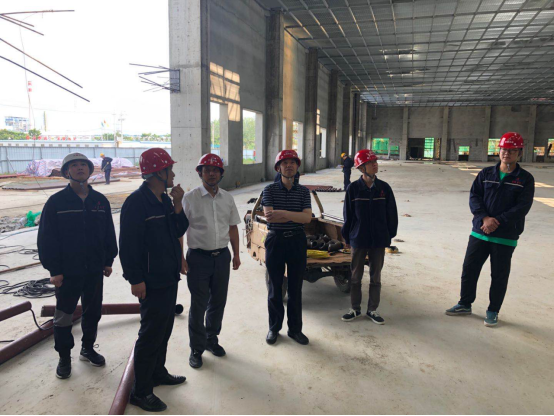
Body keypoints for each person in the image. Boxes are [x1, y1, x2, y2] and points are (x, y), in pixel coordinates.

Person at [37, 152, 118, 380]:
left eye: (84, 164)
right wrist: (54, 270)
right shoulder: (56, 202)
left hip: (94, 270)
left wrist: (108, 260)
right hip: (68, 272)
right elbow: (47, 238)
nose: (80, 168)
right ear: (66, 172)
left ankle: (87, 349)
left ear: (90, 170)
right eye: (74, 165)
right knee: (64, 316)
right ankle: (64, 357)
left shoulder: (100, 200)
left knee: (93, 312)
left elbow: (108, 233)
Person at [119, 148, 188, 412]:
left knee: (164, 329)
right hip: (150, 280)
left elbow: (179, 229)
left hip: (168, 276)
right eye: (170, 169)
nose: (173, 174)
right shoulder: (136, 203)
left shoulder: (164, 200)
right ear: (159, 172)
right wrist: (135, 279)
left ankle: (158, 373)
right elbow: (128, 246)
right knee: (150, 335)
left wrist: (178, 205)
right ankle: (141, 391)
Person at [446, 132, 535, 327]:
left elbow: (522, 207)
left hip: (505, 236)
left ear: (519, 152)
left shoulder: (525, 179)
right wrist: (484, 218)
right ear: (499, 151)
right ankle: (465, 304)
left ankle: (493, 310)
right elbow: (474, 197)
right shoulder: (486, 174)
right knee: (469, 269)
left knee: (499, 275)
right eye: (504, 149)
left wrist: (497, 221)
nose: (506, 153)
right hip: (480, 232)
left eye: (512, 150)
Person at [181, 153, 241, 369]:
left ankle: (211, 339)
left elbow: (232, 227)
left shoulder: (227, 198)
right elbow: (179, 231)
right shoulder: (190, 198)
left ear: (221, 173)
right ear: (200, 173)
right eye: (207, 170)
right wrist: (180, 257)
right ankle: (196, 348)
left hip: (222, 257)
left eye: (216, 170)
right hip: (198, 258)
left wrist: (236, 254)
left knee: (218, 301)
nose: (212, 173)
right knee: (199, 304)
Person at [341, 149, 398, 325]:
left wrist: (389, 235)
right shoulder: (353, 189)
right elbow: (348, 216)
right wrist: (348, 238)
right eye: (370, 163)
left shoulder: (384, 188)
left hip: (378, 239)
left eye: (375, 161)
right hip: (359, 238)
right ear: (361, 167)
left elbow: (392, 214)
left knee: (376, 277)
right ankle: (355, 309)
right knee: (355, 276)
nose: (375, 164)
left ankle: (372, 310)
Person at [262, 150, 312, 346]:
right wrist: (295, 215)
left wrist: (282, 213)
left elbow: (307, 218)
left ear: (297, 167)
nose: (289, 166)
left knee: (295, 288)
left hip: (297, 241)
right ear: (278, 168)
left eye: (292, 162)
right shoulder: (269, 190)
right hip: (276, 240)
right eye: (285, 163)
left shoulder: (304, 192)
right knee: (275, 287)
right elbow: (270, 216)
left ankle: (295, 330)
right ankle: (274, 328)